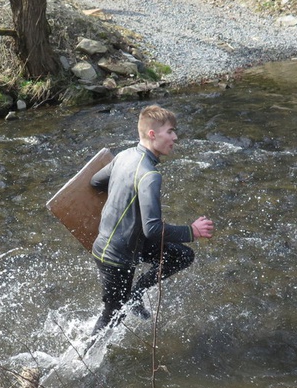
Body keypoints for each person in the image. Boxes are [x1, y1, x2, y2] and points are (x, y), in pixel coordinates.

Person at [89, 105, 214, 334]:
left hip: (122, 244)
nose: (175, 137)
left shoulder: (124, 155)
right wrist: (191, 231)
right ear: (152, 134)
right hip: (115, 258)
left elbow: (96, 182)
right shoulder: (150, 175)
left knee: (182, 255)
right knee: (113, 316)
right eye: (170, 132)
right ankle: (81, 362)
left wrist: (124, 196)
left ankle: (137, 294)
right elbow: (153, 230)